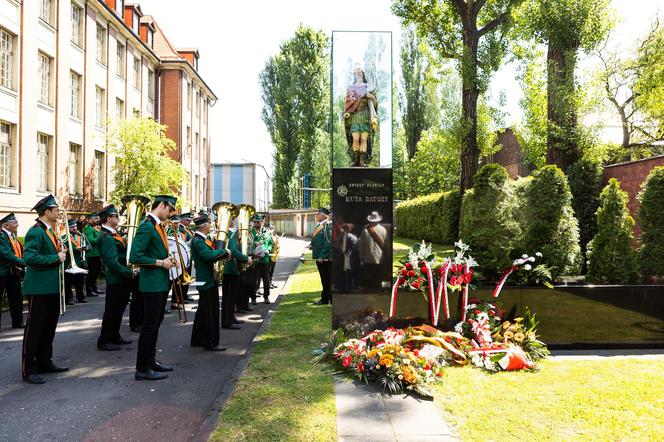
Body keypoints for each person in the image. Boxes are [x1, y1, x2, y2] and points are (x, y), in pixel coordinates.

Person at [21, 195, 68, 384]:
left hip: (51, 287)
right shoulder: (36, 231)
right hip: (39, 288)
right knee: (34, 329)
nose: (58, 212)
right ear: (47, 212)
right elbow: (30, 258)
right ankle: (29, 369)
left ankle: (44, 361)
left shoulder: (50, 230)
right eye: (55, 210)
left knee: (49, 328)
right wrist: (56, 257)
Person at [129, 195, 177, 381]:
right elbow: (135, 257)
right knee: (149, 326)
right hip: (152, 284)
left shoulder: (157, 226)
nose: (171, 213)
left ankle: (151, 361)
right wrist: (160, 263)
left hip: (160, 283)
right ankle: (142, 368)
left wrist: (168, 260)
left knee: (155, 324)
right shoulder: (146, 226)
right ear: (162, 205)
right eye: (170, 208)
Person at [96, 205, 134, 351]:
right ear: (109, 218)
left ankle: (114, 335)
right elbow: (112, 262)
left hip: (121, 278)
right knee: (112, 310)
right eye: (116, 216)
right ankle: (104, 340)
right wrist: (129, 272)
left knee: (118, 309)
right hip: (116, 279)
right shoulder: (106, 237)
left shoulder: (112, 234)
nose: (118, 218)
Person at [189, 213, 229, 351]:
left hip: (206, 279)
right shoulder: (198, 241)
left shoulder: (201, 240)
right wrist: (224, 252)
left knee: (203, 311)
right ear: (204, 226)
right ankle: (211, 342)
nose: (211, 226)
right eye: (209, 224)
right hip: (206, 280)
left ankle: (197, 338)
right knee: (211, 313)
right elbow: (207, 256)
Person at [344, 65, 378, 167]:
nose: (359, 75)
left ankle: (362, 161)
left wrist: (372, 98)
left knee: (363, 139)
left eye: (361, 73)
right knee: (355, 138)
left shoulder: (368, 87)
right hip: (355, 117)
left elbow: (375, 104)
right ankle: (356, 160)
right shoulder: (351, 88)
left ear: (363, 75)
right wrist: (347, 112)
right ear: (354, 76)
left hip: (365, 116)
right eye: (357, 74)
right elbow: (348, 102)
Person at [222, 218, 250, 329]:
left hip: (229, 269)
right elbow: (233, 251)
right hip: (231, 269)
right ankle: (227, 321)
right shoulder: (231, 234)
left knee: (230, 297)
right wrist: (245, 258)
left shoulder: (225, 233)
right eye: (233, 218)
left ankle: (230, 318)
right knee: (229, 297)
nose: (234, 221)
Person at [0, 213, 26, 330]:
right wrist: (24, 262)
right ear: (6, 225)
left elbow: (19, 251)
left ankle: (17, 322)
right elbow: (6, 254)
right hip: (2, 273)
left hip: (13, 273)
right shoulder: (1, 236)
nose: (17, 225)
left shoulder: (13, 236)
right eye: (14, 223)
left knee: (16, 299)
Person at [358, 211, 387, 289]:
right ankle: (377, 289)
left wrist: (361, 256)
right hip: (380, 257)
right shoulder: (383, 230)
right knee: (378, 275)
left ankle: (369, 289)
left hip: (368, 257)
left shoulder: (365, 230)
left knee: (369, 275)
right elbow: (386, 244)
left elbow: (361, 245)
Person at [64, 219, 89, 305]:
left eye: (75, 226)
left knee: (80, 281)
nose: (74, 228)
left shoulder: (81, 236)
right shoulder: (64, 237)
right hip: (69, 263)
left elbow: (89, 246)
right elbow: (64, 250)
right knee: (68, 282)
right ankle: (69, 298)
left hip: (80, 262)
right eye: (72, 227)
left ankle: (80, 297)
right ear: (68, 228)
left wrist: (86, 248)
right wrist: (76, 249)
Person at [311, 208, 332, 305]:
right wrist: (312, 245)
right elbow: (320, 240)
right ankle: (326, 298)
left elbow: (328, 242)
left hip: (324, 258)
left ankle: (328, 299)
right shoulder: (319, 226)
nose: (316, 215)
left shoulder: (327, 225)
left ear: (324, 215)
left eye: (318, 214)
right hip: (319, 257)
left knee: (327, 279)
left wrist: (322, 256)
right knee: (324, 279)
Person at [251, 215, 272, 305]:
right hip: (255, 259)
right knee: (254, 280)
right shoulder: (250, 232)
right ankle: (253, 298)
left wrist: (268, 249)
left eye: (258, 222)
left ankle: (266, 297)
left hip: (264, 260)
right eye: (255, 222)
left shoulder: (266, 232)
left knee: (266, 280)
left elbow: (270, 244)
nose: (256, 223)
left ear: (262, 222)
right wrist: (255, 243)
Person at [83, 213, 103, 297]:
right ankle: (89, 290)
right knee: (91, 273)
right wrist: (101, 237)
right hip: (91, 254)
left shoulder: (97, 228)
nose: (98, 220)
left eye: (98, 218)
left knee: (96, 272)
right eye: (95, 218)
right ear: (90, 219)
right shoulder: (88, 229)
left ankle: (94, 288)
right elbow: (90, 240)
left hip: (97, 254)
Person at [267, 225, 279, 289]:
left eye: (272, 228)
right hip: (269, 256)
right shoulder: (268, 236)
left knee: (272, 270)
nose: (271, 230)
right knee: (268, 270)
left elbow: (277, 245)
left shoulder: (275, 236)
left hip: (274, 255)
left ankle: (271, 281)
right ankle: (268, 283)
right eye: (270, 228)